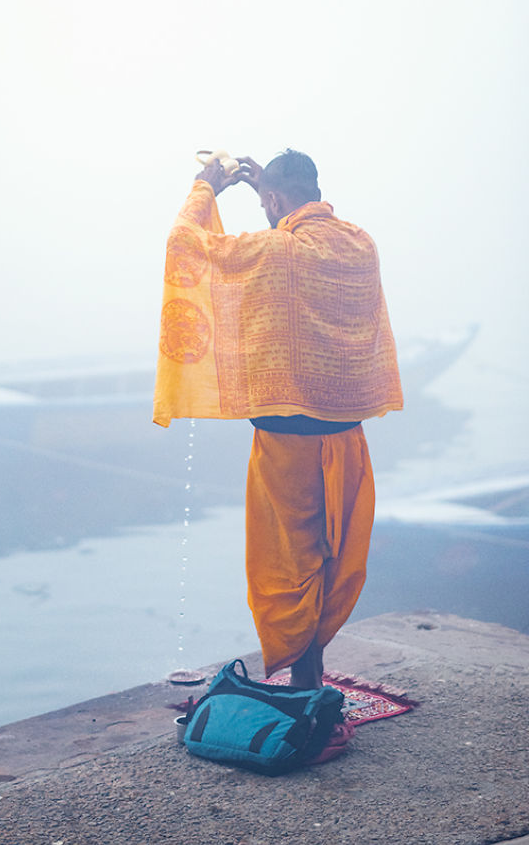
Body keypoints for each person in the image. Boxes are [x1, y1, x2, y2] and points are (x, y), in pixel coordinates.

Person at [153, 149, 402, 688]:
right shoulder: (360, 243)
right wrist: (266, 192)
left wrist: (205, 187)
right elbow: (296, 221)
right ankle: (310, 682)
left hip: (286, 445)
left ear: (272, 201)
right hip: (347, 437)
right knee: (335, 558)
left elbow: (185, 246)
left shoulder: (275, 250)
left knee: (289, 568)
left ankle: (305, 691)